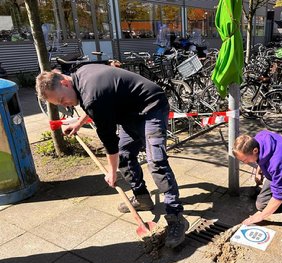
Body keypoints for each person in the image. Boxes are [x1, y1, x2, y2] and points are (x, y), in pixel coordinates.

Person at [35, 64, 188, 248]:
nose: (65, 105)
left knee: (156, 161)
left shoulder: (91, 91)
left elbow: (109, 141)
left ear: (64, 82)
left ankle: (176, 217)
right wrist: (78, 124)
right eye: (59, 104)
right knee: (124, 155)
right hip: (128, 113)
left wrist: (112, 172)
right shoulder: (80, 79)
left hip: (150, 107)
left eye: (62, 99)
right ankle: (142, 198)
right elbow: (93, 106)